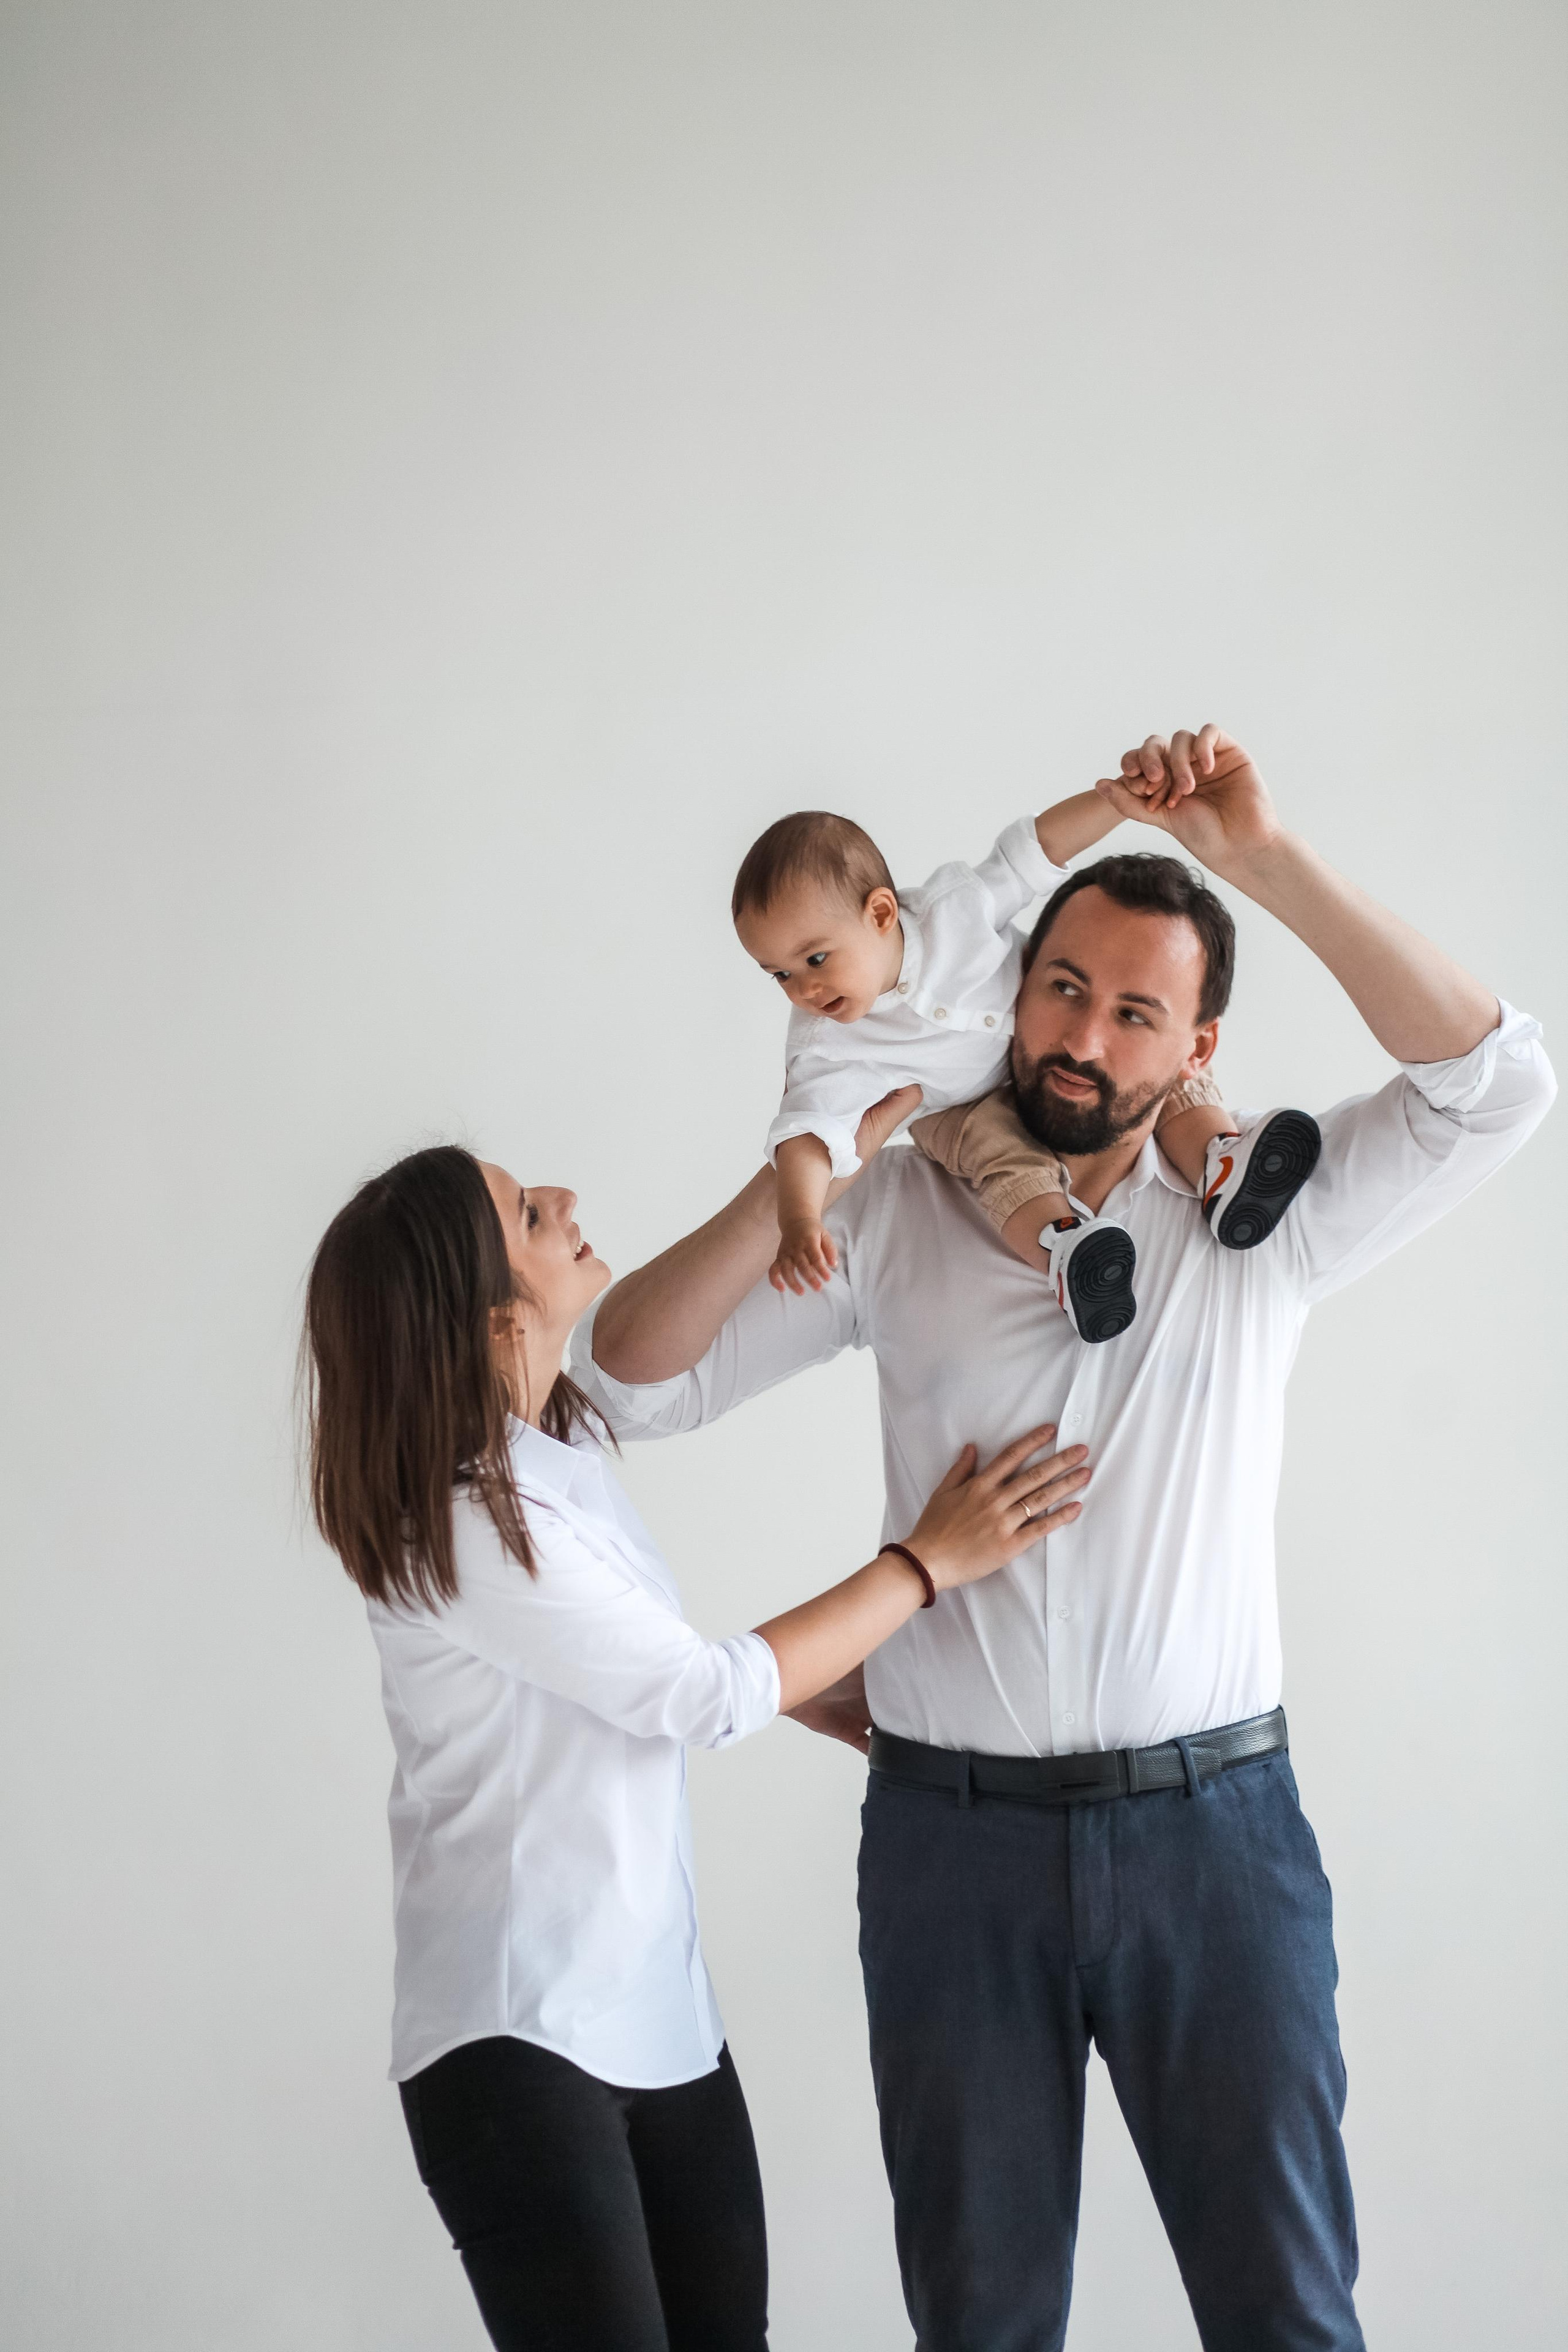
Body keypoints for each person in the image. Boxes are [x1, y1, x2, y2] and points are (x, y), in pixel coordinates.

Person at [579, 726, 1555, 2352]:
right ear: (1011, 981)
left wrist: (1264, 859)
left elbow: (1500, 1083)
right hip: (956, 1857)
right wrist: (811, 1166)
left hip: (1218, 1849)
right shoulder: (899, 1216)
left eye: (1136, 1011)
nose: (1085, 1033)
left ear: (1198, 1046)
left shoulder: (1264, 1217)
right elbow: (625, 1384)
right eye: (1061, 988)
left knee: (1288, 2317)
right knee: (982, 2324)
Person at [300, 1140, 1091, 2352]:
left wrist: (806, 1168)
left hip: (659, 2022)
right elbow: (693, 1694)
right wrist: (927, 1562)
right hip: (521, 2038)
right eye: (522, 1211)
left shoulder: (558, 1462)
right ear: (478, 1304)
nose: (560, 1200)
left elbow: (630, 1680)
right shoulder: (457, 1516)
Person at [732, 750, 1321, 1341]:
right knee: (1004, 1158)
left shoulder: (950, 912)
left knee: (1151, 1064)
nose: (804, 989)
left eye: (815, 959)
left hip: (1042, 1036)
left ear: (881, 913)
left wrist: (1116, 801)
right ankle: (1065, 1250)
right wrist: (799, 1217)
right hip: (957, 1109)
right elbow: (807, 1136)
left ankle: (1222, 1160)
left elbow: (1034, 854)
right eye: (778, 974)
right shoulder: (826, 1045)